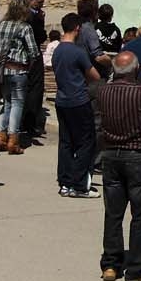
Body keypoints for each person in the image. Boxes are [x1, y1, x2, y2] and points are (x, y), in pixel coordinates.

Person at [96, 50, 141, 281]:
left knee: (113, 213)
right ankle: (137, 268)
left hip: (111, 154)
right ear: (136, 70)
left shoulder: (103, 91)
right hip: (138, 155)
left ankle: (111, 264)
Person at [51, 12, 102, 198]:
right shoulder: (77, 52)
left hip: (62, 99)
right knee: (85, 142)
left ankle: (65, 182)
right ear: (77, 28)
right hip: (79, 100)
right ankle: (80, 184)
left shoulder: (57, 50)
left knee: (66, 142)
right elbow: (94, 76)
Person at [0, 0, 37, 155]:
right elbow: (34, 52)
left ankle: (1, 136)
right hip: (19, 70)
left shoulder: (1, 25)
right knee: (17, 104)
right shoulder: (25, 27)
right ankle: (13, 139)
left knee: (6, 103)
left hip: (3, 70)